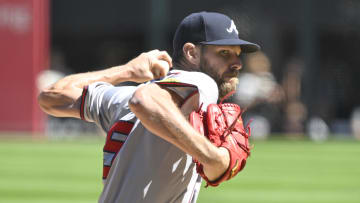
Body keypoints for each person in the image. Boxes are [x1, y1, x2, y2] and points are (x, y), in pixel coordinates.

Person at [38, 11, 260, 203]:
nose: (237, 63)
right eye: (224, 53)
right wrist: (212, 157)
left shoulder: (123, 97)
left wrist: (126, 72)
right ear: (191, 53)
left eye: (238, 54)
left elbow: (52, 96)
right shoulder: (202, 82)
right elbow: (144, 101)